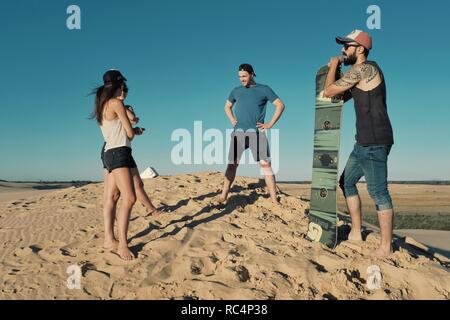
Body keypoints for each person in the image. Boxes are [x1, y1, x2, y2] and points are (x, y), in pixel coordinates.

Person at [323, 30, 395, 257]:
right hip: (362, 142)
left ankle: (386, 247)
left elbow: (329, 90)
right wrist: (339, 70)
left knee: (378, 192)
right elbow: (338, 98)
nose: (343, 50)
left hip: (375, 141)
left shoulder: (366, 69)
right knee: (347, 182)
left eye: (347, 47)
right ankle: (355, 232)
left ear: (360, 49)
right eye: (342, 48)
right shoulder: (358, 76)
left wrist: (334, 65)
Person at [92, 69, 152, 260]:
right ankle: (123, 245)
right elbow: (129, 134)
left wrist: (131, 128)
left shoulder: (102, 104)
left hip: (110, 152)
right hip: (119, 152)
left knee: (112, 196)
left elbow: (119, 131)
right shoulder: (117, 103)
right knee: (130, 198)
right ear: (118, 85)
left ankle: (109, 240)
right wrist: (133, 127)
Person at [217, 63, 285, 205]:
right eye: (239, 77)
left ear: (252, 74)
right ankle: (223, 196)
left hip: (257, 134)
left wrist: (270, 124)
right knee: (232, 165)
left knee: (266, 165)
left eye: (244, 76)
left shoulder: (264, 89)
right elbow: (227, 106)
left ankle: (274, 200)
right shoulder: (236, 91)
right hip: (239, 134)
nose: (241, 79)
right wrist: (232, 120)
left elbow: (280, 105)